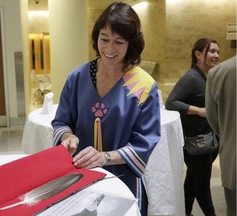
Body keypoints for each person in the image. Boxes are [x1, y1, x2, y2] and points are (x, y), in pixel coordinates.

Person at [51, 2, 161, 215]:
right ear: (96, 37)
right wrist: (67, 137)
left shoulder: (143, 86)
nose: (109, 49)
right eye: (104, 39)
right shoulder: (77, 78)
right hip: (79, 175)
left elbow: (145, 141)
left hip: (124, 180)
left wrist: (105, 157)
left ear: (131, 43)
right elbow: (61, 121)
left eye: (119, 42)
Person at [165, 38, 220, 216]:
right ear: (198, 54)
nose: (216, 55)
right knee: (202, 187)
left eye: (217, 52)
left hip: (207, 140)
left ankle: (185, 212)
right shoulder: (191, 78)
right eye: (211, 51)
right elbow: (171, 102)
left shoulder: (208, 75)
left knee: (192, 181)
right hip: (195, 143)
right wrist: (199, 111)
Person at [205, 55, 236, 216]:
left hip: (232, 155)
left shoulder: (218, 72)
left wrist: (228, 134)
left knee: (233, 209)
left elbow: (213, 118)